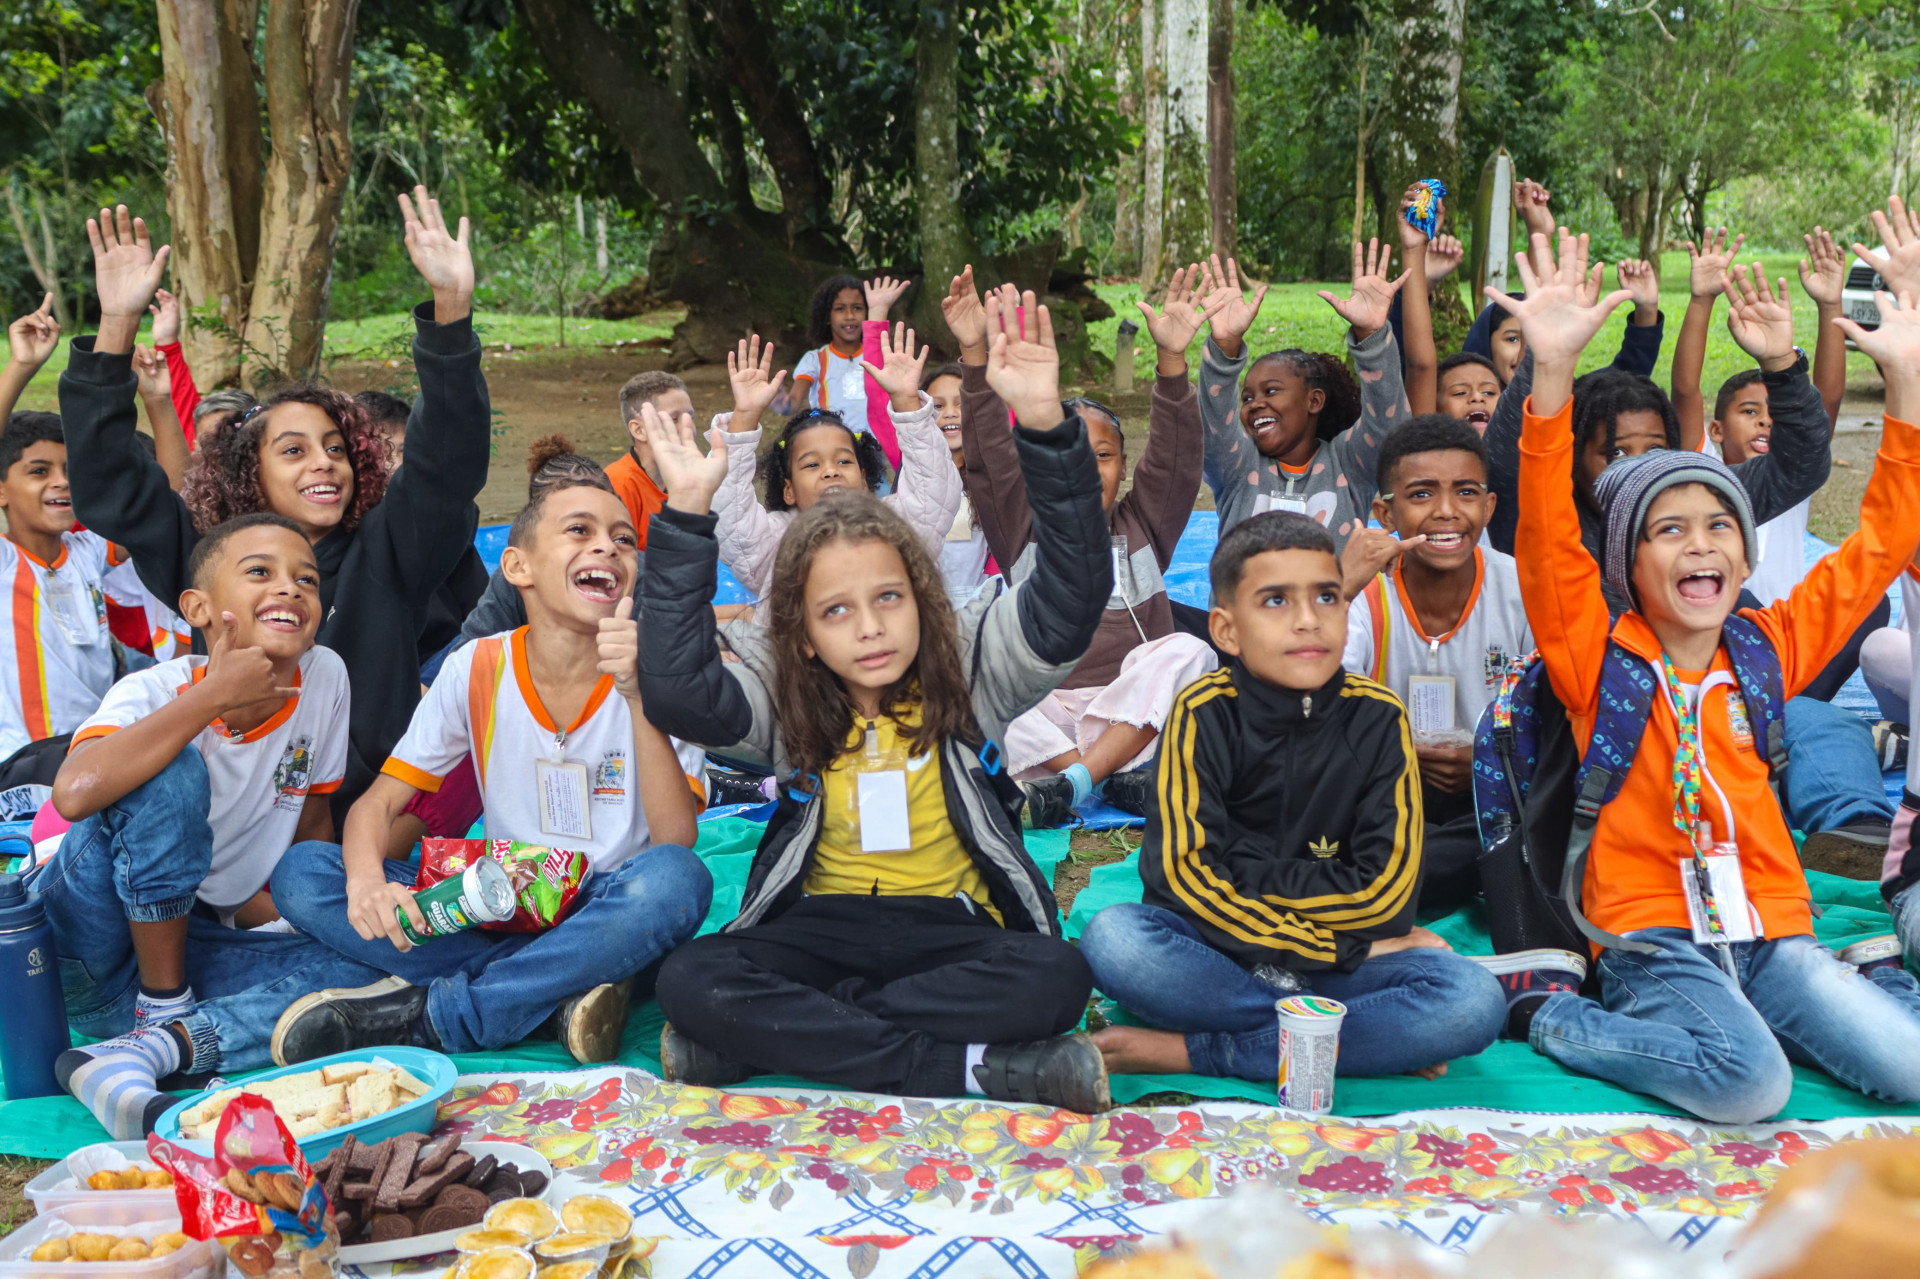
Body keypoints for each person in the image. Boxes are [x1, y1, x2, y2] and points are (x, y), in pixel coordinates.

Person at [641, 293, 1114, 1111]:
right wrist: (685, 515)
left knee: (1058, 975)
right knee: (691, 977)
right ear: (802, 629)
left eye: (889, 598)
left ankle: (795, 1040)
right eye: (836, 611)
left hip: (952, 923)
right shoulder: (784, 686)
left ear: (923, 595)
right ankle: (958, 1068)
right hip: (822, 921)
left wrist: (1046, 427)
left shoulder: (967, 660)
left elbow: (1071, 596)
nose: (869, 629)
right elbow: (680, 689)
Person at [1502, 227, 1920, 1124]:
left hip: (1772, 931)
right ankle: (1558, 1018)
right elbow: (1542, 541)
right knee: (1749, 1083)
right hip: (1651, 935)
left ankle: (1768, 1010)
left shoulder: (1771, 646)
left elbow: (1881, 541)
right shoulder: (1595, 653)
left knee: (1912, 1070)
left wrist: (1910, 383)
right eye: (1670, 528)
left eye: (1719, 524)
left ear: (1744, 548)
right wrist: (1548, 376)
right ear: (1626, 562)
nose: (1701, 543)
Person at [266, 462, 711, 1066]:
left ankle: (443, 1016)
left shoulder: (662, 669)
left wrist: (636, 695)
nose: (607, 545)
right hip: (496, 901)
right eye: (579, 531)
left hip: (609, 905)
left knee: (676, 883)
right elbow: (379, 803)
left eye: (624, 538)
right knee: (303, 873)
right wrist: (369, 883)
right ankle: (554, 993)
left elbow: (674, 840)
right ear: (517, 567)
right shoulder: (477, 665)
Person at [59, 193, 491, 815]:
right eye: (293, 451)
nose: (323, 462)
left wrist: (451, 311)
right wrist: (118, 325)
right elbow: (109, 482)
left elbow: (445, 467)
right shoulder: (210, 556)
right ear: (247, 475)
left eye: (336, 448)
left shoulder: (390, 552)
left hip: (357, 830)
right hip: (225, 820)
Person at [1077, 511, 1509, 1084]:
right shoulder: (1202, 711)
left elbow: (1386, 896)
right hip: (1227, 953)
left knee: (1471, 1001)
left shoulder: (1379, 717)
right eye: (1276, 601)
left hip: (1244, 947)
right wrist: (1340, 949)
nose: (1309, 621)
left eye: (1327, 597)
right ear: (1227, 631)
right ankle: (1356, 1036)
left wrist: (1248, 877)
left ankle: (1198, 1051)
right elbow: (1183, 879)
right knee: (1118, 941)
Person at [34, 513, 385, 1138]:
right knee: (173, 772)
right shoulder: (155, 690)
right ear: (198, 607)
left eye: (307, 578)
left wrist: (289, 922)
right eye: (260, 573)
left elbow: (312, 816)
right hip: (86, 941)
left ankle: (154, 1049)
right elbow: (74, 791)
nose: (290, 588)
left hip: (198, 944)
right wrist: (211, 697)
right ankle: (162, 1011)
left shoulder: (325, 676)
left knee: (373, 959)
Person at [946, 269, 1219, 822]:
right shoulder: (1019, 525)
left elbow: (1177, 459)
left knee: (1193, 653)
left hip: (1132, 715)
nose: (1087, 469)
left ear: (1123, 466)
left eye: (1103, 455)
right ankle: (1098, 778)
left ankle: (1073, 782)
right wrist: (973, 353)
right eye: (1072, 452)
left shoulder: (1144, 522)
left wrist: (1171, 365)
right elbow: (989, 456)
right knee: (971, 674)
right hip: (1040, 717)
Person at [1671, 232, 1895, 874]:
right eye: (1748, 413)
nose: (1766, 423)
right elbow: (1685, 390)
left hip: (1795, 657)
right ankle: (1809, 747)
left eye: (1773, 414)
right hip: (1717, 656)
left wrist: (1829, 309)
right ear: (1715, 431)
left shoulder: (1791, 473)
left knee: (1870, 605)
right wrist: (1702, 300)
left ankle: (1807, 751)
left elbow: (1815, 406)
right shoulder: (1699, 474)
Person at [1342, 415, 1531, 909]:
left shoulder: (1522, 591)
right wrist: (1337, 588)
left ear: (1489, 506)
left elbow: (1554, 719)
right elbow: (1311, 702)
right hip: (1384, 794)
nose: (1447, 512)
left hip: (1494, 795)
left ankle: (1377, 884)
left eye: (1466, 493)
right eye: (1422, 494)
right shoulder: (1364, 596)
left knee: (1530, 825)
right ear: (1386, 512)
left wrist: (1485, 763)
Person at [710, 329, 961, 623]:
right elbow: (730, 515)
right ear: (788, 490)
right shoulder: (775, 541)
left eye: (844, 460)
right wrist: (744, 417)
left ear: (865, 481)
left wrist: (906, 401)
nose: (831, 471)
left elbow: (934, 491)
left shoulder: (897, 525)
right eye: (811, 465)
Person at [1196, 248, 1410, 549]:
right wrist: (1225, 346)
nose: (1255, 403)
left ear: (1314, 401)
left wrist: (1371, 336)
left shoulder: (1348, 465)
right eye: (1246, 398)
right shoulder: (1238, 467)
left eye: (1271, 391)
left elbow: (1388, 427)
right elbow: (1215, 426)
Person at [0, 410, 149, 781]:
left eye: (70, 470)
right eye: (39, 471)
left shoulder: (89, 551)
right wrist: (21, 366)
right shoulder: (4, 560)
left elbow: (166, 507)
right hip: (24, 763)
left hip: (90, 751)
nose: (62, 482)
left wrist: (158, 401)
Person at [353, 388, 490, 673]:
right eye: (378, 453)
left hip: (444, 659)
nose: (392, 466)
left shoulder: (438, 522)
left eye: (403, 451)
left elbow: (479, 609)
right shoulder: (340, 527)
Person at [777, 274, 911, 462]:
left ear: (867, 312)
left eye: (857, 308)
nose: (850, 316)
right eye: (840, 309)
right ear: (827, 317)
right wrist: (780, 402)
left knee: (879, 491)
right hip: (830, 448)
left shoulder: (879, 355)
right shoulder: (815, 360)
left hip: (873, 451)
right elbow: (792, 404)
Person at [923, 360, 993, 602]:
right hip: (928, 605)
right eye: (938, 406)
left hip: (984, 605)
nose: (950, 412)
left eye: (961, 404)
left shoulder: (994, 474)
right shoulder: (913, 471)